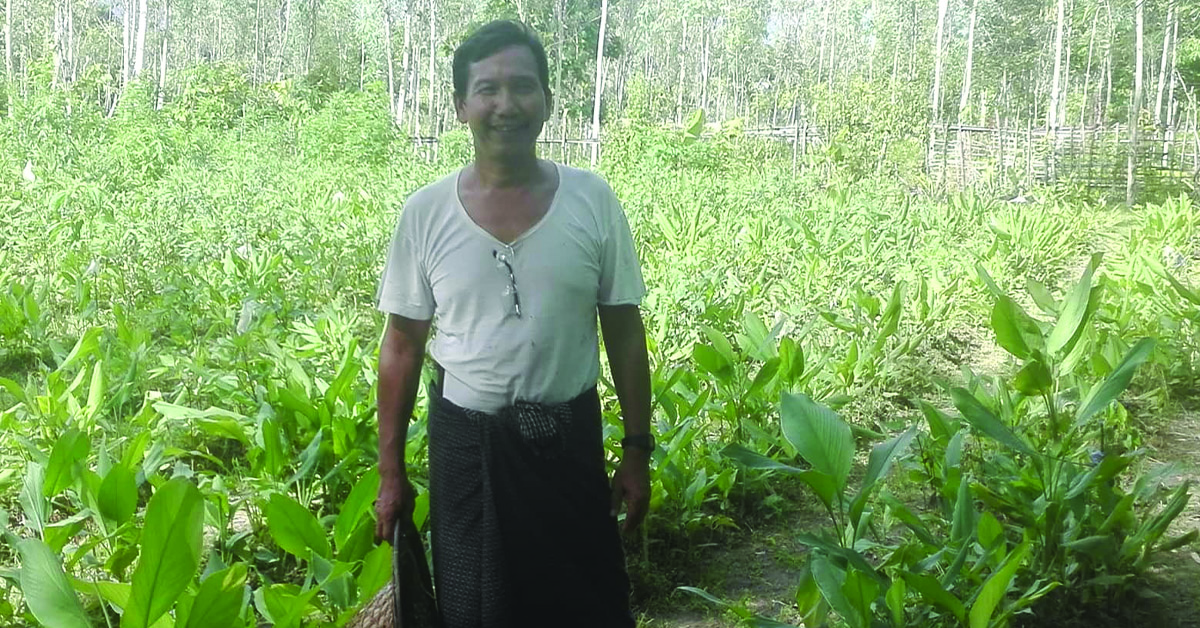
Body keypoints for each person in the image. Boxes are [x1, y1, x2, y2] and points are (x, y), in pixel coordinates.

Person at [372, 19, 653, 628]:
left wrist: (636, 450)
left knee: (586, 604)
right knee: (477, 608)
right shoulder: (425, 214)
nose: (507, 105)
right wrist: (390, 474)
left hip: (569, 441)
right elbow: (401, 347)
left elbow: (625, 334)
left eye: (523, 87)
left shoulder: (592, 200)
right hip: (468, 449)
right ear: (460, 106)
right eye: (488, 90)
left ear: (548, 101)